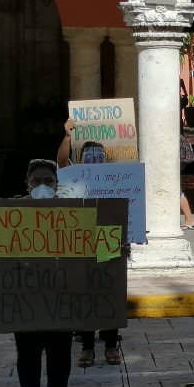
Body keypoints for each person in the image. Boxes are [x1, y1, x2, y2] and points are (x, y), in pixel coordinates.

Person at [4, 159, 74, 387]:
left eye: (49, 182)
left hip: (61, 298)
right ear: (27, 185)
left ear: (58, 186)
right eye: (37, 182)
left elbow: (92, 250)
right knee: (28, 359)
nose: (43, 186)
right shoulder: (10, 213)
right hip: (25, 299)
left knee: (60, 359)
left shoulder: (72, 213)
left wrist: (117, 250)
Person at [58, 141, 123, 368]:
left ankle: (111, 344)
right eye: (89, 156)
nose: (94, 160)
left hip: (108, 238)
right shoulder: (75, 176)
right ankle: (87, 347)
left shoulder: (115, 178)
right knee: (84, 294)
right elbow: (62, 164)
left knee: (109, 292)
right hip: (81, 239)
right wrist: (67, 136)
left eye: (98, 155)